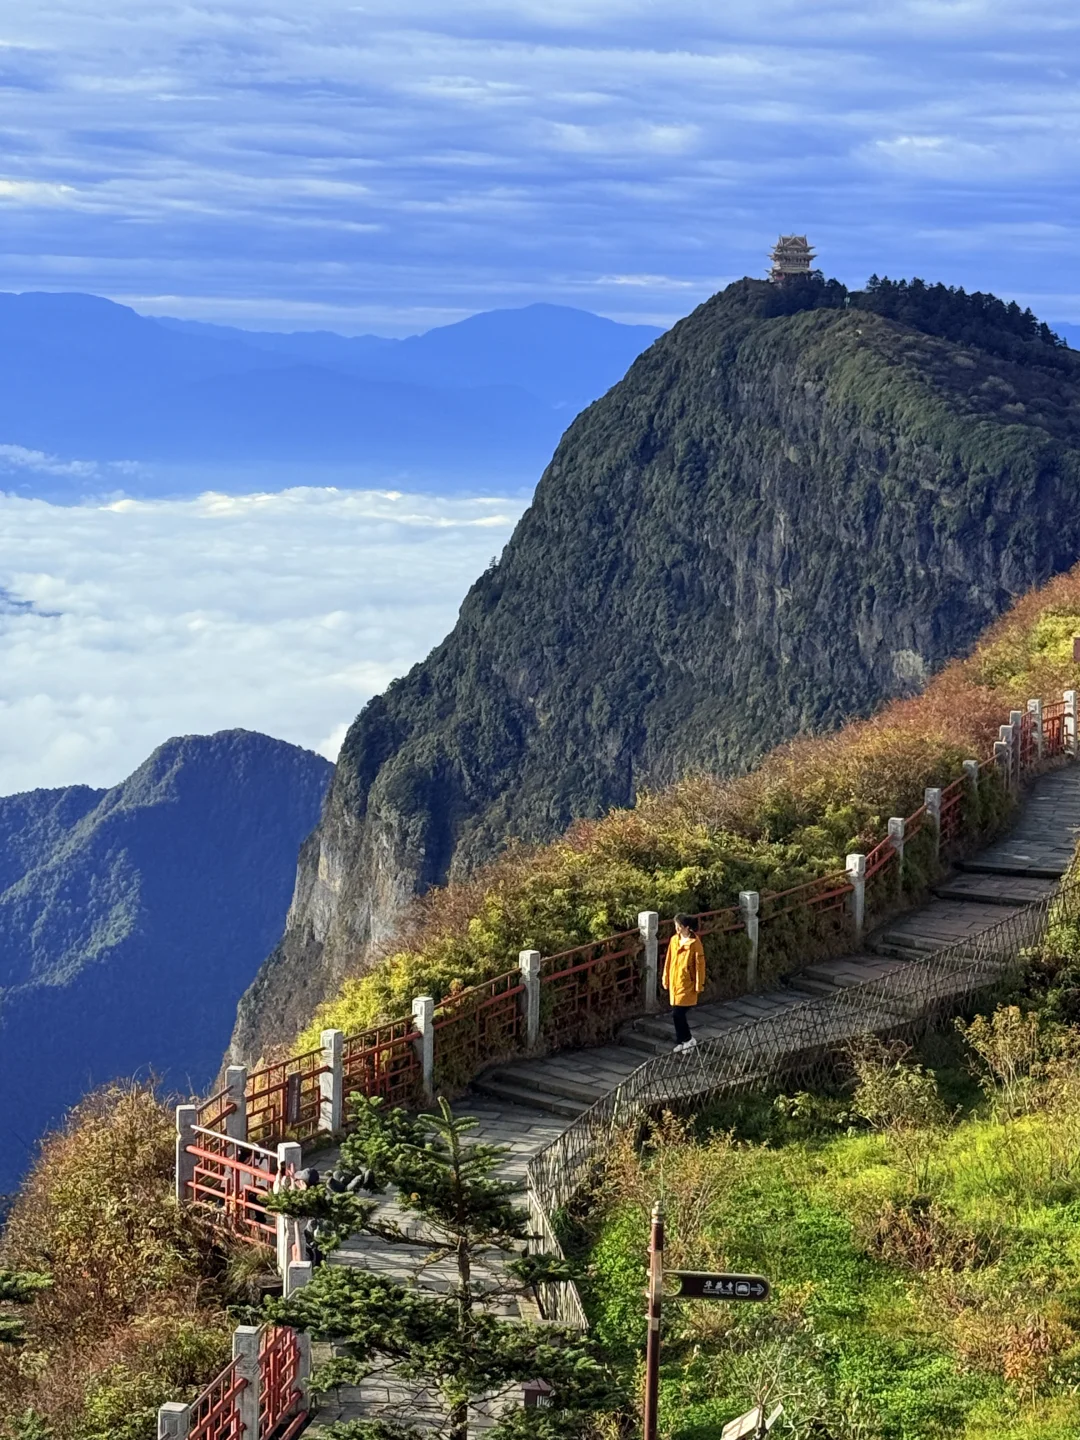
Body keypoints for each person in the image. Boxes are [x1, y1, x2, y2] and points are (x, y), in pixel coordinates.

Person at [662, 913, 706, 1053]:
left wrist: (699, 984)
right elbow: (669, 960)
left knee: (678, 1013)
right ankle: (681, 1040)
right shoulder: (674, 940)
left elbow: (699, 966)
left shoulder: (695, 943)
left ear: (686, 927)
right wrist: (665, 977)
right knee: (676, 1014)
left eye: (679, 926)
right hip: (675, 982)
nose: (677, 929)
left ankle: (688, 1039)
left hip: (687, 983)